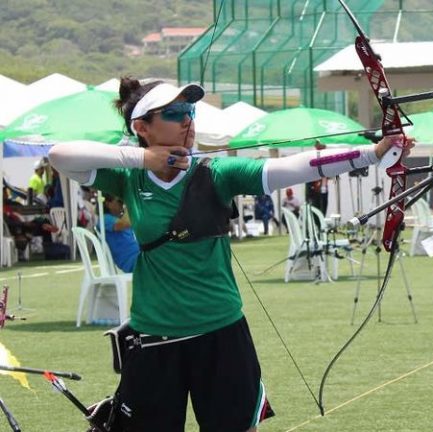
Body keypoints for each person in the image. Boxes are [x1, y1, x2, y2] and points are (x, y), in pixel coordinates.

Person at [48, 77, 409, 431]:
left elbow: (291, 167)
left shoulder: (218, 174)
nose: (188, 119)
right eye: (174, 113)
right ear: (142, 126)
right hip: (155, 335)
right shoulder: (128, 178)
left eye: (190, 110)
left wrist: (374, 153)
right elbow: (59, 155)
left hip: (220, 331)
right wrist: (144, 159)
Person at [103, 194, 139, 273]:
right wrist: (130, 204)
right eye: (119, 201)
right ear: (108, 204)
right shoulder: (104, 219)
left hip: (140, 254)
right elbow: (125, 224)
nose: (121, 204)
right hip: (130, 260)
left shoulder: (119, 219)